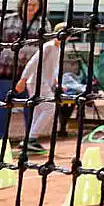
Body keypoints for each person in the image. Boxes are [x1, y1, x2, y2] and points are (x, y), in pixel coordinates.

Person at [0, 0, 49, 145]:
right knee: (3, 107)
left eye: (35, 5)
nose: (31, 7)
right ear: (22, 4)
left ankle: (30, 140)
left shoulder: (43, 24)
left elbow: (46, 50)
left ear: (39, 7)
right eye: (28, 4)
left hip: (30, 76)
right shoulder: (7, 20)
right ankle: (1, 140)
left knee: (31, 108)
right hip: (6, 72)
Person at [15, 22, 70, 156]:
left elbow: (51, 68)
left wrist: (56, 82)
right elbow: (33, 62)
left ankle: (29, 139)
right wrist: (23, 79)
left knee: (40, 110)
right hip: (37, 82)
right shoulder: (49, 46)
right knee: (50, 108)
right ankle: (31, 139)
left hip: (42, 82)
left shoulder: (58, 49)